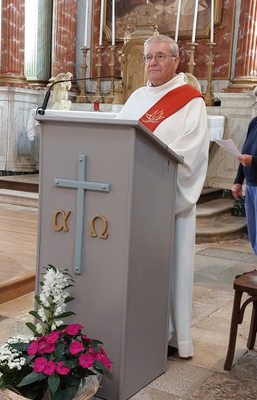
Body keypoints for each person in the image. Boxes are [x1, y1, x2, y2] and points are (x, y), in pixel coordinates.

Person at [116, 34, 209, 358]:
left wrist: (152, 174)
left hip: (167, 202)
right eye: (148, 58)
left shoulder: (191, 100)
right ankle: (135, 326)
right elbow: (118, 139)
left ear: (175, 60)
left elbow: (191, 153)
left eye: (159, 57)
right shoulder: (137, 97)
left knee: (170, 268)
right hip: (132, 199)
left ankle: (169, 334)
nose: (152, 63)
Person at [231, 95, 257, 254]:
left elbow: (250, 158)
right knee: (254, 233)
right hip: (251, 184)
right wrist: (238, 181)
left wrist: (254, 161)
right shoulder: (254, 122)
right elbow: (244, 153)